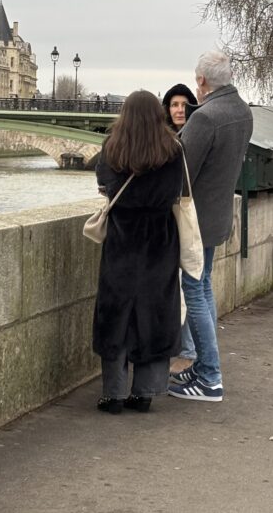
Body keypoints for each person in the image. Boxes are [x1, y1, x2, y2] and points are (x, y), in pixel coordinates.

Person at [168, 52, 253, 403]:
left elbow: (181, 174)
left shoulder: (205, 118)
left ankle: (209, 377)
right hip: (218, 217)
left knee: (194, 291)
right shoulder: (242, 112)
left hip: (196, 220)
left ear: (201, 81)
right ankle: (205, 366)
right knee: (203, 288)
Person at [93, 90, 183, 414]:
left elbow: (104, 186)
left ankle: (113, 393)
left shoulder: (112, 147)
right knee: (155, 311)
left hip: (123, 236)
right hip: (160, 237)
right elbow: (177, 191)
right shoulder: (173, 149)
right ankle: (145, 391)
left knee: (116, 313)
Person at [162, 83, 199, 372]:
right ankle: (184, 348)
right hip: (170, 225)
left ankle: (187, 351)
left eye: (184, 104)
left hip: (186, 223)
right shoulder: (167, 140)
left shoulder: (188, 139)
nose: (178, 110)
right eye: (174, 104)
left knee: (190, 289)